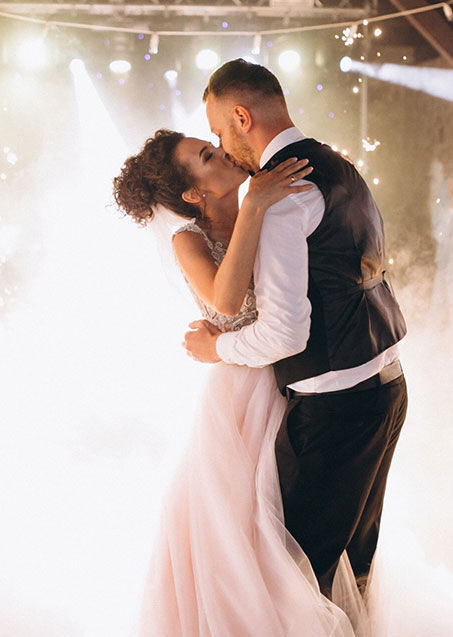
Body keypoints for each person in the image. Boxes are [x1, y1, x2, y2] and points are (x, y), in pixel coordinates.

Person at [113, 129, 367, 635]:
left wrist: (259, 201)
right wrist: (254, 205)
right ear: (194, 193)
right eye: (208, 156)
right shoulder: (188, 238)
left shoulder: (268, 196)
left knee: (305, 514)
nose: (224, 152)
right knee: (249, 524)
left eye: (212, 144)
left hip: (300, 372)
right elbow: (227, 303)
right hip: (242, 395)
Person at [184, 58, 408, 601]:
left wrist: (217, 348)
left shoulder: (281, 198)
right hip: (389, 387)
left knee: (292, 580)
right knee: (352, 570)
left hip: (335, 408)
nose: (222, 145)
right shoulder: (335, 162)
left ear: (241, 117)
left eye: (218, 133)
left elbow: (285, 336)